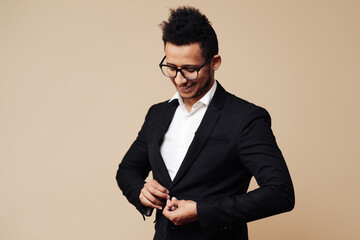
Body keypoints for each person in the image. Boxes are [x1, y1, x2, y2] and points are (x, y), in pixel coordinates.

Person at [116, 6, 294, 240]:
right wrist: (141, 191)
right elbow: (127, 170)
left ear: (214, 62)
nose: (179, 79)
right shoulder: (157, 114)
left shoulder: (246, 118)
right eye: (171, 68)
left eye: (190, 69)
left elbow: (280, 193)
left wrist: (202, 211)